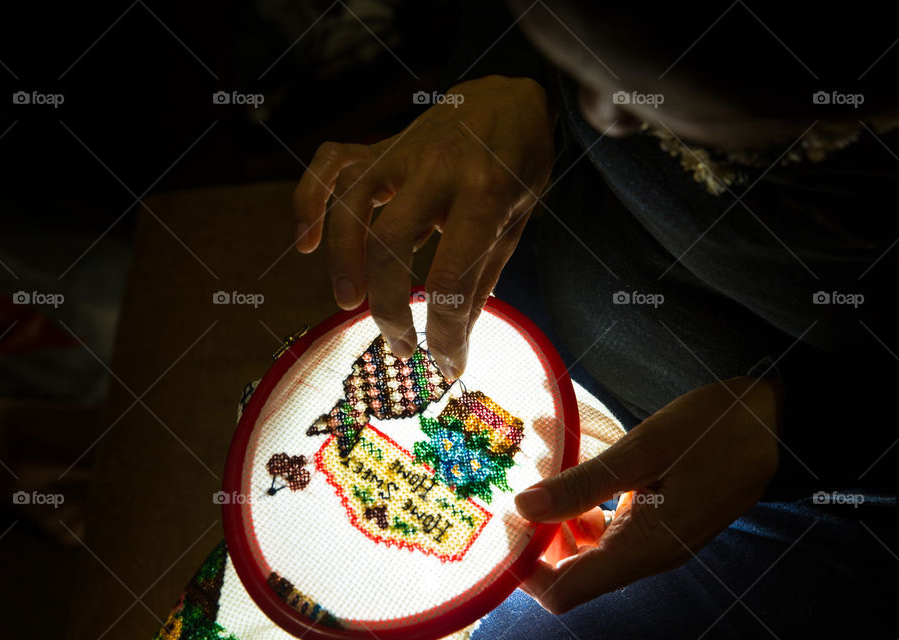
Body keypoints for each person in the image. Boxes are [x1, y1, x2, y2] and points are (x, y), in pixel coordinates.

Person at [293, 1, 899, 636]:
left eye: (648, 96)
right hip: (559, 302)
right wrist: (510, 79)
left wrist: (792, 426)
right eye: (581, 63)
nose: (600, 119)